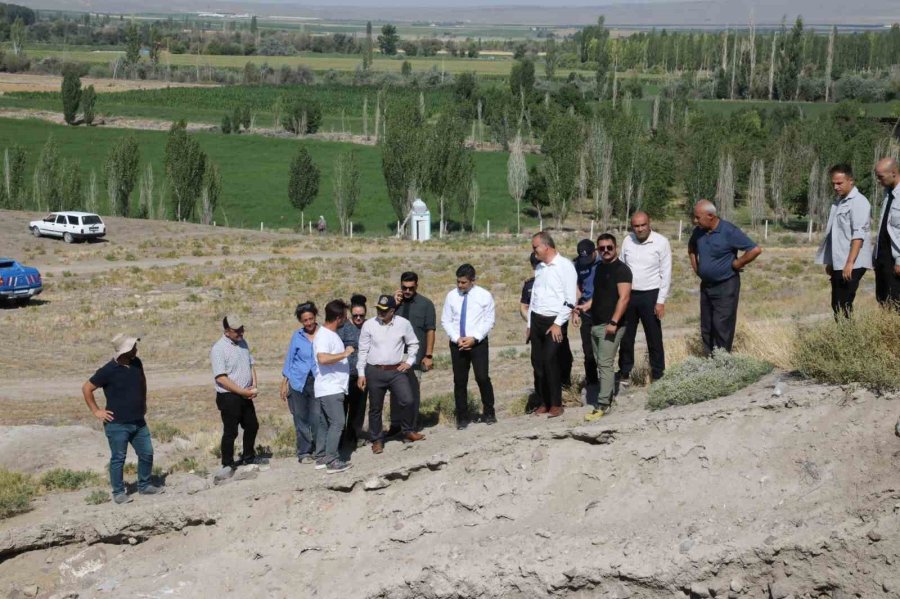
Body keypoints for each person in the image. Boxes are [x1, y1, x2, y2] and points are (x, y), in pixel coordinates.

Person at [82, 334, 163, 504]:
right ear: (125, 351)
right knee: (118, 458)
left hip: (138, 421)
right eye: (133, 347)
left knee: (147, 452)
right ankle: (118, 492)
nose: (136, 349)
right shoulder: (108, 370)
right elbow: (87, 388)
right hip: (117, 424)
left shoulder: (137, 363)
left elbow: (143, 382)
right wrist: (97, 411)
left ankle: (145, 485)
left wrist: (143, 402)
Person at [688, 200, 762, 355]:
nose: (695, 221)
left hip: (726, 284)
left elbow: (755, 250)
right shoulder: (698, 232)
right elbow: (692, 248)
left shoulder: (728, 231)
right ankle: (709, 362)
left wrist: (738, 263)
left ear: (710, 216)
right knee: (706, 326)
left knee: (722, 325)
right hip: (706, 285)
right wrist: (698, 269)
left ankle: (722, 363)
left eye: (698, 217)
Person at [357, 294, 425, 454]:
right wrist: (361, 373)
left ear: (392, 310)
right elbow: (363, 350)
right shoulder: (369, 325)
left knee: (408, 400)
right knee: (375, 408)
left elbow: (414, 343)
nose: (380, 312)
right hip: (375, 371)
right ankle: (377, 440)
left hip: (396, 371)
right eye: (379, 309)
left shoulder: (403, 324)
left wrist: (409, 361)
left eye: (384, 310)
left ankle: (407, 431)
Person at [579, 234, 632, 419]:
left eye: (609, 247)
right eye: (601, 248)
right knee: (600, 362)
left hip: (611, 325)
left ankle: (603, 405)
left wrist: (614, 322)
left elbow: (624, 298)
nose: (606, 251)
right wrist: (587, 305)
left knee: (605, 364)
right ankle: (606, 397)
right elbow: (601, 294)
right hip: (595, 323)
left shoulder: (622, 270)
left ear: (615, 247)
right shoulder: (600, 268)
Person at [441, 264, 496, 430]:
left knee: (482, 378)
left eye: (463, 282)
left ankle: (489, 412)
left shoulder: (484, 296)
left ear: (473, 280)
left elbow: (489, 320)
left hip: (477, 343)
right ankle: (462, 417)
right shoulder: (451, 296)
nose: (460, 286)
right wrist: (457, 338)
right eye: (458, 282)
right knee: (459, 381)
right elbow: (446, 320)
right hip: (457, 344)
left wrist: (475, 338)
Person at [528, 231, 578, 418]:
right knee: (537, 363)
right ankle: (544, 402)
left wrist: (557, 324)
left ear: (546, 246)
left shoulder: (565, 266)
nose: (534, 252)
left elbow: (570, 300)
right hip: (537, 320)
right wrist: (529, 325)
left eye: (535, 248)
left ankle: (556, 403)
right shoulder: (540, 268)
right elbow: (534, 297)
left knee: (550, 360)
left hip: (555, 321)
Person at [619, 212, 672, 383]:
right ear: (632, 226)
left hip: (651, 294)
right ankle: (625, 372)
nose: (640, 229)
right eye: (636, 226)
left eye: (643, 225)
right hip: (629, 295)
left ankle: (658, 375)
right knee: (626, 336)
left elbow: (666, 274)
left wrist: (661, 301)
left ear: (649, 223)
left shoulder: (661, 242)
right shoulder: (627, 240)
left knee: (654, 336)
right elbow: (621, 266)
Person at [814, 164, 873, 318]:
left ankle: (849, 339)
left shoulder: (859, 202)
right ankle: (844, 337)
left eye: (839, 183)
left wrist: (849, 263)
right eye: (833, 183)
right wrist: (832, 262)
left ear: (850, 180)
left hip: (853, 262)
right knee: (837, 305)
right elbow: (837, 236)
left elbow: (858, 235)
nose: (836, 187)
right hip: (840, 261)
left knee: (844, 304)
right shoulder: (839, 202)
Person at [210, 315, 260, 473]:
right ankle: (227, 463)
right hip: (229, 396)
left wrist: (254, 385)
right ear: (226, 331)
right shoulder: (218, 349)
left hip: (245, 393)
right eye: (236, 330)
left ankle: (249, 457)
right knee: (231, 431)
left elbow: (251, 365)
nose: (240, 333)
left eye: (241, 329)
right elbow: (221, 377)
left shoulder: (243, 343)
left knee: (252, 425)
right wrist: (241, 391)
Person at [312, 300, 355, 474]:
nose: (346, 319)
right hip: (330, 388)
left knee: (325, 424)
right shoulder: (323, 335)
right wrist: (344, 353)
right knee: (337, 422)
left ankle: (322, 456)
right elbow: (322, 358)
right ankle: (332, 460)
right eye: (345, 316)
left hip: (330, 387)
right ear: (338, 317)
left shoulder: (330, 334)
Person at [392, 271, 435, 432]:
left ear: (416, 285)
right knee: (395, 391)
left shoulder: (426, 304)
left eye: (411, 288)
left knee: (412, 391)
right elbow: (381, 321)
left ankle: (410, 426)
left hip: (414, 355)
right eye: (404, 288)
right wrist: (393, 304)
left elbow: (430, 330)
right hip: (394, 355)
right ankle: (395, 425)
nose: (407, 291)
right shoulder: (394, 303)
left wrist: (428, 355)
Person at [280, 302, 319, 464]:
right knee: (300, 418)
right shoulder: (297, 336)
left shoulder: (324, 334)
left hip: (318, 381)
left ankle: (320, 449)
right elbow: (290, 360)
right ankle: (304, 452)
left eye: (311, 319)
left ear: (315, 317)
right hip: (298, 381)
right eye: (305, 320)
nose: (309, 323)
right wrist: (284, 382)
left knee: (317, 417)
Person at [573, 239, 602, 403]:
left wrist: (589, 304)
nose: (585, 261)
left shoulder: (602, 262)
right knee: (587, 349)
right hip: (585, 311)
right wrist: (576, 310)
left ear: (594, 252)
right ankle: (592, 382)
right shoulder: (577, 264)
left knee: (604, 349)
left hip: (602, 310)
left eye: (588, 257)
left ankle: (607, 382)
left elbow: (604, 288)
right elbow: (577, 286)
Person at [338, 294, 367, 450]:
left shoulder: (369, 326)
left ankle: (354, 437)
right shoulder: (342, 328)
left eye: (361, 315)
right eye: (355, 315)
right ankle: (340, 439)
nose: (358, 318)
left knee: (358, 408)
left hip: (362, 375)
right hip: (345, 375)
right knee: (342, 408)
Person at [873, 158, 900, 308]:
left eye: (881, 176)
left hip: (895, 258)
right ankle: (886, 331)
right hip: (882, 257)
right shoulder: (887, 194)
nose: (878, 180)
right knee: (883, 299)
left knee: (896, 301)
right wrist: (875, 255)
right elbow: (884, 227)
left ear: (894, 173)